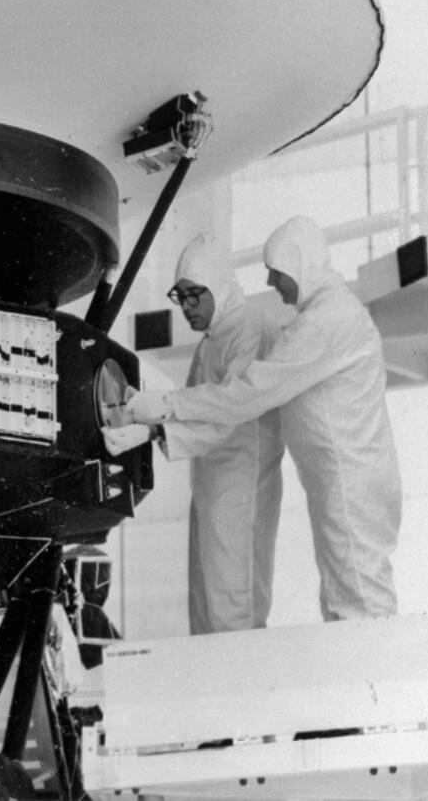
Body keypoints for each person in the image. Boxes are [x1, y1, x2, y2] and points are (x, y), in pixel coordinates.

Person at [124, 217, 402, 621]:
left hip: (348, 475)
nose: (271, 283)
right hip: (337, 475)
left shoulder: (326, 320)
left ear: (299, 265)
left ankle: (376, 681)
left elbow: (249, 394)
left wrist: (165, 408)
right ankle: (360, 675)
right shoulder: (316, 315)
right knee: (342, 591)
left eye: (276, 272)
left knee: (356, 592)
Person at [103, 233, 284, 634]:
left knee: (233, 604)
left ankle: (240, 693)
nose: (186, 307)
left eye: (194, 295)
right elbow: (194, 403)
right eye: (180, 297)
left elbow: (230, 410)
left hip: (241, 482)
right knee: (205, 604)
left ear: (219, 285)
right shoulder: (213, 339)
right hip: (213, 481)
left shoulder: (249, 329)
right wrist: (146, 413)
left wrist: (155, 427)